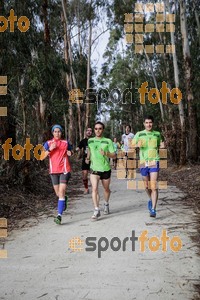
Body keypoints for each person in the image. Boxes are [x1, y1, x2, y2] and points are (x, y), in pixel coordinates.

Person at [131, 115, 165, 218]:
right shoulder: (139, 134)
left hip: (154, 160)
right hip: (143, 162)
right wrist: (138, 145)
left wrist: (163, 146)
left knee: (153, 186)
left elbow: (161, 144)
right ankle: (151, 199)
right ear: (144, 124)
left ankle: (153, 209)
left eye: (150, 122)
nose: (148, 124)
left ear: (153, 123)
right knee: (147, 186)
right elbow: (131, 145)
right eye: (146, 123)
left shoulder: (157, 134)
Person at [85, 121, 116, 220]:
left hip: (105, 169)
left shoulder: (108, 141)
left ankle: (106, 204)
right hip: (94, 169)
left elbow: (114, 155)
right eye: (96, 128)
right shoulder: (90, 141)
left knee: (106, 189)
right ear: (94, 130)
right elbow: (89, 151)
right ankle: (96, 209)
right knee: (94, 189)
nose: (97, 130)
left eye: (100, 128)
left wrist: (106, 153)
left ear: (103, 130)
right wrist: (88, 158)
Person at [42, 124, 72, 224]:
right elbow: (41, 157)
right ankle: (64, 199)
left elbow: (70, 151)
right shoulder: (48, 143)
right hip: (53, 171)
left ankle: (59, 216)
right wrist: (50, 149)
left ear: (61, 132)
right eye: (55, 131)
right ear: (52, 132)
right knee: (58, 194)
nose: (57, 133)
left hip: (64, 170)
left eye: (59, 131)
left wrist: (70, 153)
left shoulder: (65, 142)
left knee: (62, 191)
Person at [76, 127, 93, 194]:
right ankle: (86, 188)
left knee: (93, 175)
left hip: (93, 159)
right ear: (86, 132)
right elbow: (79, 147)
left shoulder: (94, 140)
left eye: (90, 131)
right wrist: (74, 150)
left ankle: (94, 187)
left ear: (92, 132)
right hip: (85, 159)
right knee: (85, 174)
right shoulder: (83, 141)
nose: (89, 132)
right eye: (87, 131)